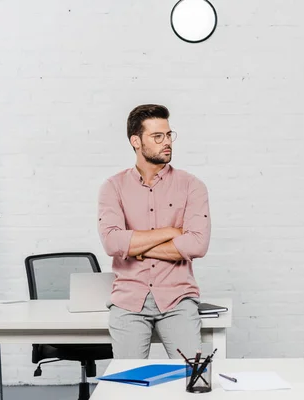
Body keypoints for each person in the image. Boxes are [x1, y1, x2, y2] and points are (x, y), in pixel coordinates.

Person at [97, 104, 211, 359]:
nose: (167, 142)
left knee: (193, 376)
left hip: (178, 298)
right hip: (129, 300)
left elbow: (196, 245)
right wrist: (171, 231)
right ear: (136, 141)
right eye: (157, 137)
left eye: (169, 135)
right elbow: (113, 242)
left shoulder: (192, 186)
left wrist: (137, 248)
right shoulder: (113, 187)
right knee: (129, 383)